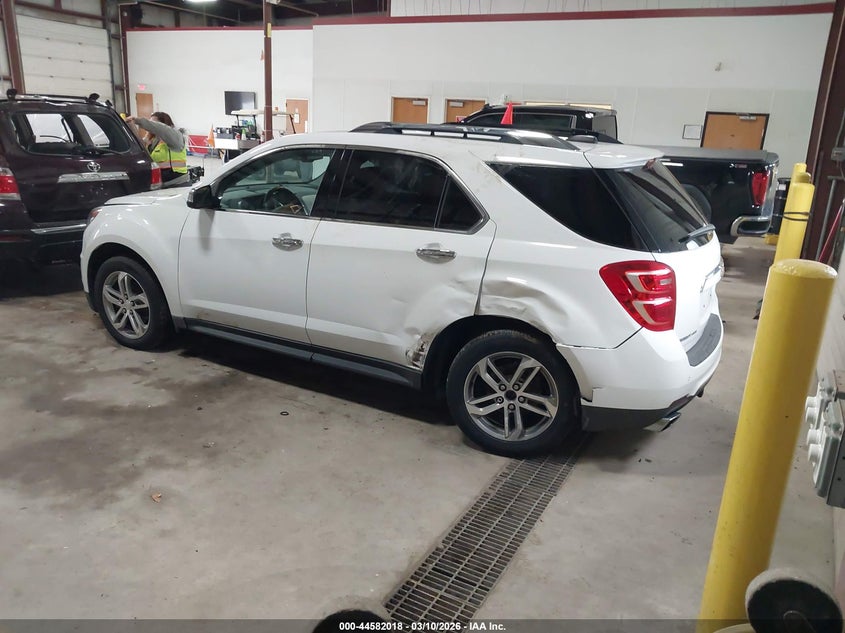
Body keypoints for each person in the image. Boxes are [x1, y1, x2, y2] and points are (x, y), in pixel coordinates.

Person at [126, 111, 189, 188]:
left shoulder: (175, 137)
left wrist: (138, 120)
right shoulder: (153, 140)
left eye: (153, 123)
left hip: (177, 183)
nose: (150, 126)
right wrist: (131, 125)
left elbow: (161, 129)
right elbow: (140, 145)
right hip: (160, 183)